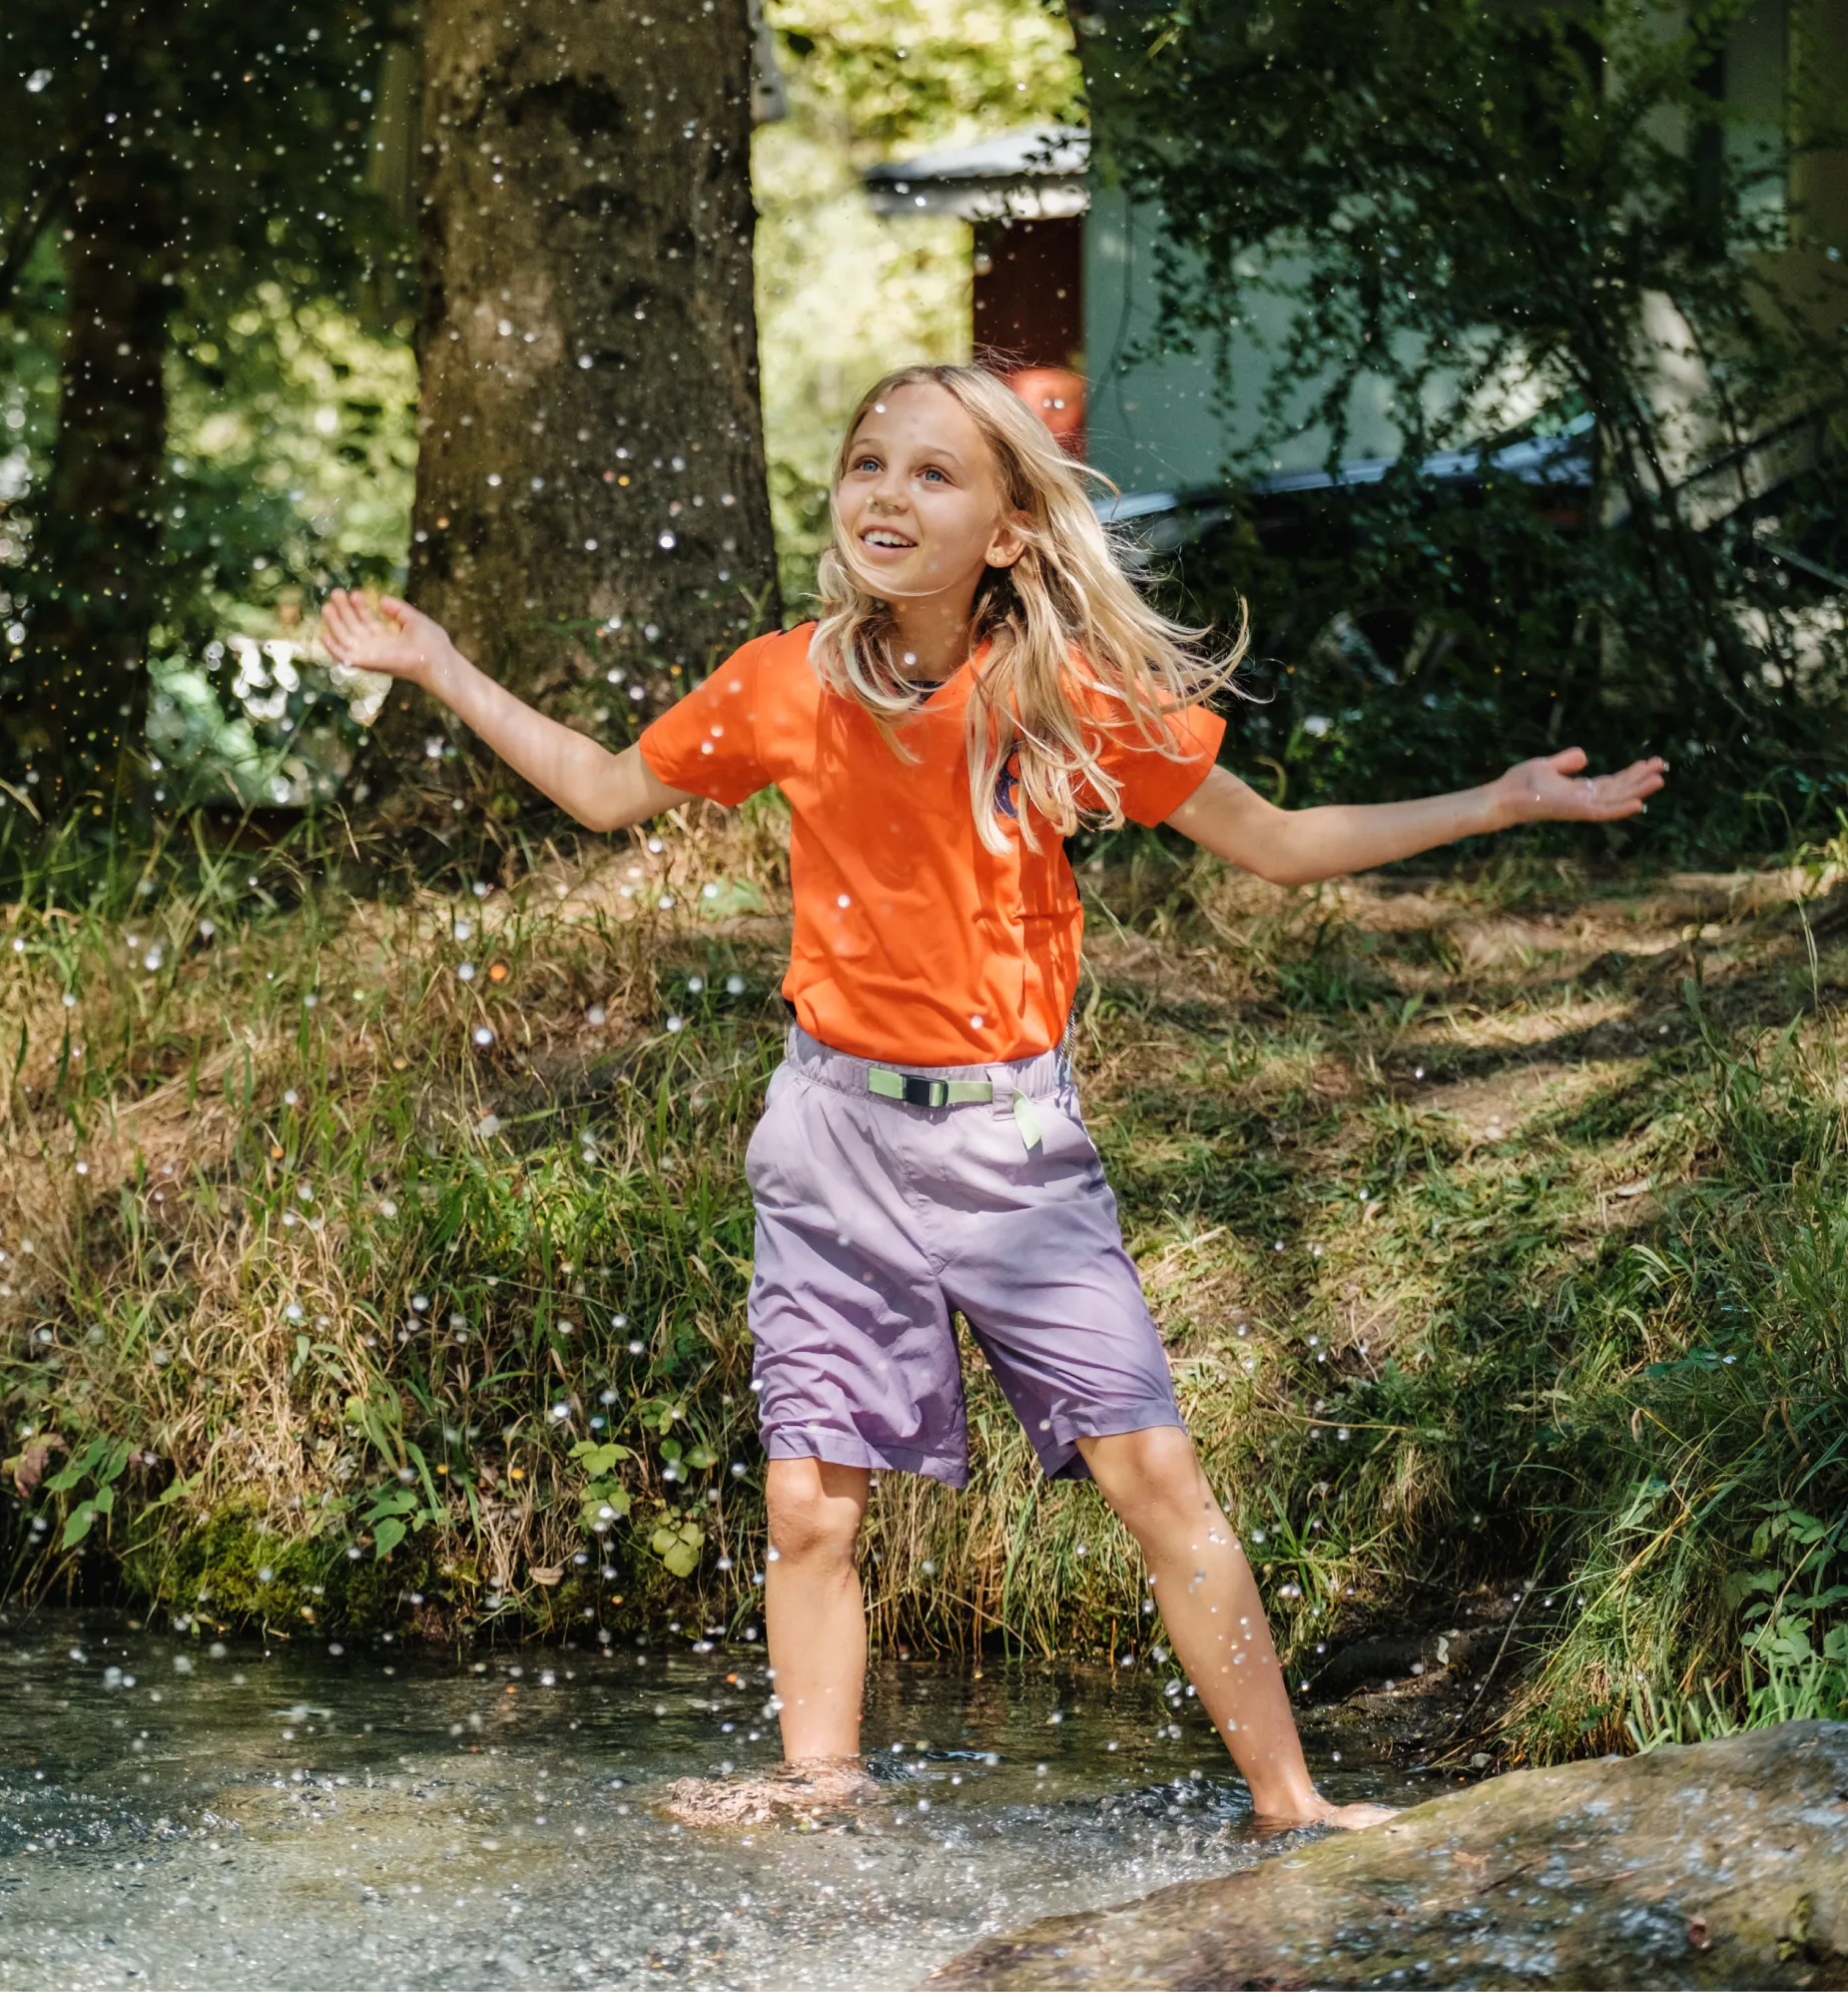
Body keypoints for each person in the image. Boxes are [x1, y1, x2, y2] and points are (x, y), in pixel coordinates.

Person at [320, 362, 1664, 1831]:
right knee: (807, 1510)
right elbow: (599, 788)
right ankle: (820, 1789)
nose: (886, 495)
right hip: (830, 1134)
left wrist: (1497, 802)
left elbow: (1271, 842)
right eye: (866, 464)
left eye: (933, 474)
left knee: (1156, 1476)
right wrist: (441, 667)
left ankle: (1292, 1804)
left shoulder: (1067, 696)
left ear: (1013, 528)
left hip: (1013, 1148)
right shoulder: (783, 681)